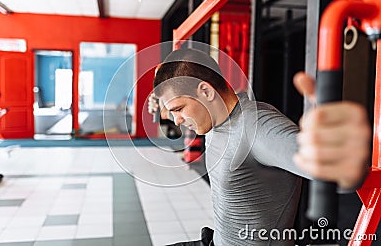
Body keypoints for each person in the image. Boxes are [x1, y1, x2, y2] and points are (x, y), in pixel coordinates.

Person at [148, 48, 371, 246]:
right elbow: (180, 90)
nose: (176, 121)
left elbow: (337, 174)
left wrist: (340, 158)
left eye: (178, 109)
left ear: (206, 92)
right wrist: (163, 102)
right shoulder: (214, 117)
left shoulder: (256, 128)